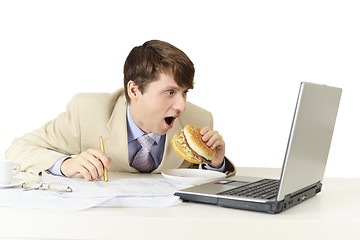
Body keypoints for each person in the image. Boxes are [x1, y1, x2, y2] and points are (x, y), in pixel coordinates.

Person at [5, 40, 235, 180]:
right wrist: (66, 164)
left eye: (185, 92)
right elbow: (18, 149)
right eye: (170, 92)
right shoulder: (86, 112)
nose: (181, 106)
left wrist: (216, 164)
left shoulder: (199, 119)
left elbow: (202, 182)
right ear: (134, 91)